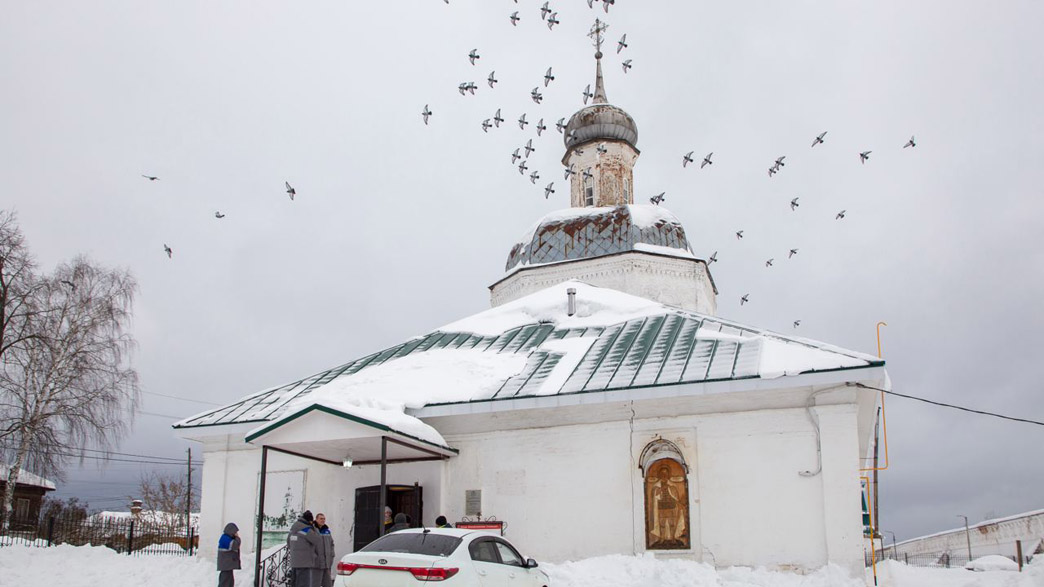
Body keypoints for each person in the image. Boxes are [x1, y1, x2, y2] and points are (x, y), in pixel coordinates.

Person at [287, 510, 323, 587]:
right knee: (303, 584)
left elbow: (288, 543)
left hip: (294, 561)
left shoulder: (293, 527)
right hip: (304, 562)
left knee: (295, 583)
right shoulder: (305, 529)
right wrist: (314, 528)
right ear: (309, 520)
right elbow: (317, 540)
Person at [217, 522, 241, 587]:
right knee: (225, 582)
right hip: (226, 565)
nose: (236, 534)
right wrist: (237, 538)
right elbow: (235, 545)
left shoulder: (227, 538)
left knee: (229, 582)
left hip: (227, 565)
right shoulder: (225, 539)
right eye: (235, 532)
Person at [315, 513, 335, 587]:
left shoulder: (327, 531)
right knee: (315, 583)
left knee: (328, 584)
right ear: (316, 519)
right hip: (317, 563)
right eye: (321, 519)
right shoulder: (313, 530)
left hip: (327, 563)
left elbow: (331, 543)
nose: (323, 520)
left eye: (324, 519)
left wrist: (332, 554)